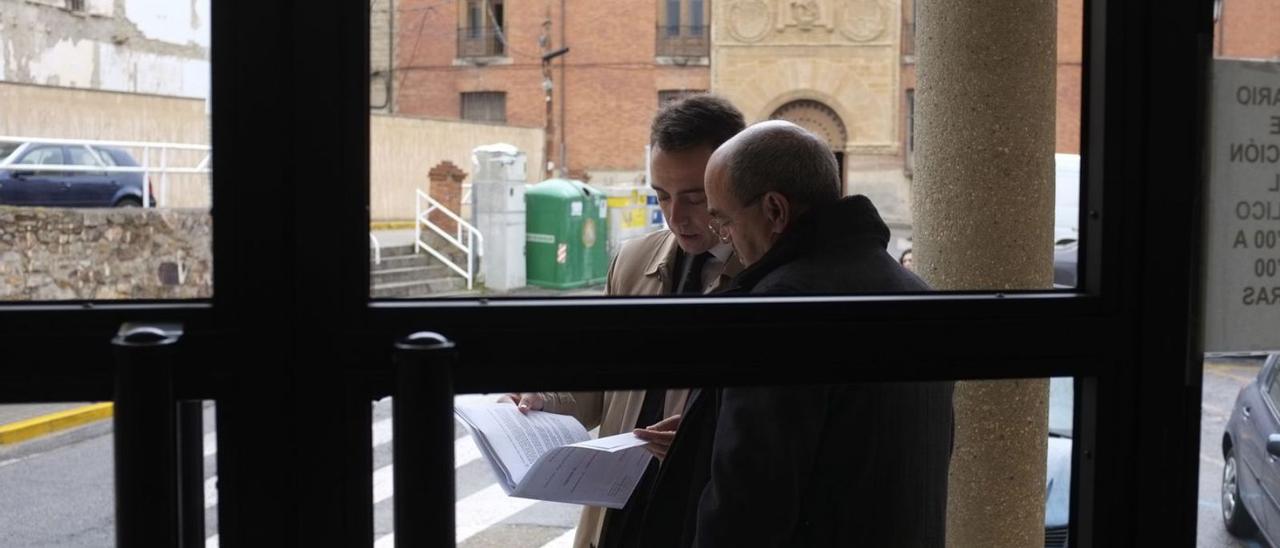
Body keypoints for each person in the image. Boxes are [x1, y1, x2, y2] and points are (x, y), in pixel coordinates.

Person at [644, 121, 955, 547]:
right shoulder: (915, 292)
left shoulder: (778, 311)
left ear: (774, 210)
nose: (728, 240)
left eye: (725, 221)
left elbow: (748, 510)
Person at [499, 94, 747, 548]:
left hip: (702, 513)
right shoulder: (633, 261)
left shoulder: (767, 275)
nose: (676, 217)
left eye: (695, 198)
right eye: (661, 195)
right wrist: (544, 398)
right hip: (618, 512)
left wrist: (702, 442)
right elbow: (603, 381)